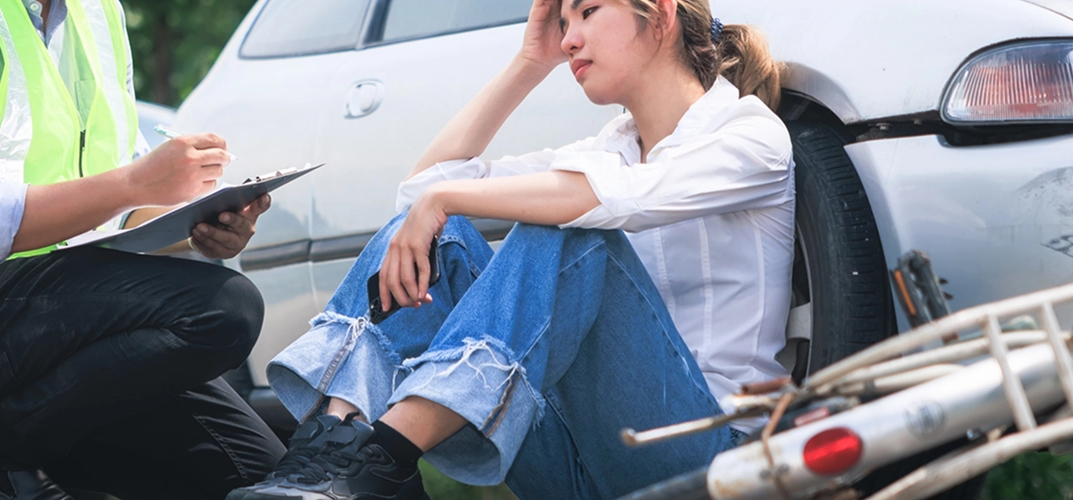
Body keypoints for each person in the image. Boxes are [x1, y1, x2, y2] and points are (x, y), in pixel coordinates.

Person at [228, 0, 790, 498]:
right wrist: (529, 63)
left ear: (661, 14)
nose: (569, 38)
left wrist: (443, 197)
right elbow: (420, 193)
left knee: (570, 227)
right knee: (437, 233)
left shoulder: (747, 134)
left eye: (588, 12)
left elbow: (611, 201)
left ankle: (381, 458)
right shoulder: (608, 150)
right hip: (582, 457)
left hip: (709, 453)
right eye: (563, 22)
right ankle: (334, 451)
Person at [0, 0, 284, 498]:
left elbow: (108, 207)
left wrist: (200, 225)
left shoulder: (95, 14)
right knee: (223, 308)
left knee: (262, 482)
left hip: (57, 311)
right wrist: (136, 182)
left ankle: (4, 449)